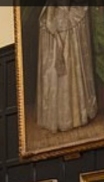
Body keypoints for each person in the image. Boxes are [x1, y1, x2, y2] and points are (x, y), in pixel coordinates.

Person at [36, 3, 98, 133]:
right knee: (59, 77)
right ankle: (62, 119)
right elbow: (49, 20)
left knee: (73, 73)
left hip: (70, 29)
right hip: (58, 32)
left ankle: (75, 117)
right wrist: (57, 38)